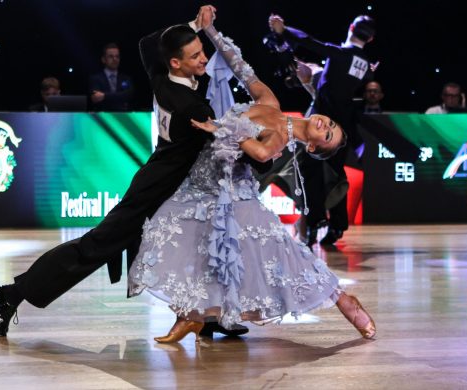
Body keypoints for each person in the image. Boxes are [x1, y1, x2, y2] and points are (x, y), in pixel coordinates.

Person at [0, 6, 255, 339]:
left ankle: (206, 317)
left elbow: (147, 43)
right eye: (195, 55)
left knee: (204, 243)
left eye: (202, 52)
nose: (204, 58)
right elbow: (230, 146)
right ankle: (14, 293)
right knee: (93, 248)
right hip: (156, 193)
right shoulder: (192, 106)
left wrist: (194, 26)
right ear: (176, 63)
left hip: (173, 188)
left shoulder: (162, 78)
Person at [128, 18, 375, 343]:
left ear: (313, 146)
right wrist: (212, 31)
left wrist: (221, 128)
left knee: (283, 256)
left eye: (327, 134)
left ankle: (344, 301)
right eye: (329, 122)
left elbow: (260, 153)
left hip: (230, 191)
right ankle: (191, 316)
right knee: (195, 246)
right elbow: (242, 68)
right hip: (204, 178)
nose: (324, 124)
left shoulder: (281, 136)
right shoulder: (270, 103)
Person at [269, 14, 377, 247]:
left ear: (350, 28)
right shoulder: (364, 63)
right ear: (370, 39)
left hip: (322, 125)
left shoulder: (342, 54)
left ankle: (315, 220)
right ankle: (336, 225)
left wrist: (283, 29)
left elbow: (309, 41)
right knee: (336, 174)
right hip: (343, 128)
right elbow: (360, 76)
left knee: (310, 172)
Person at [89, 43, 134, 111]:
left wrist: (104, 96)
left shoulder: (125, 78)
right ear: (103, 59)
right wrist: (119, 96)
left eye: (117, 56)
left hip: (123, 116)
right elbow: (96, 98)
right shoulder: (95, 79)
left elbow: (128, 95)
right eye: (111, 56)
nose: (115, 59)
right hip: (102, 116)